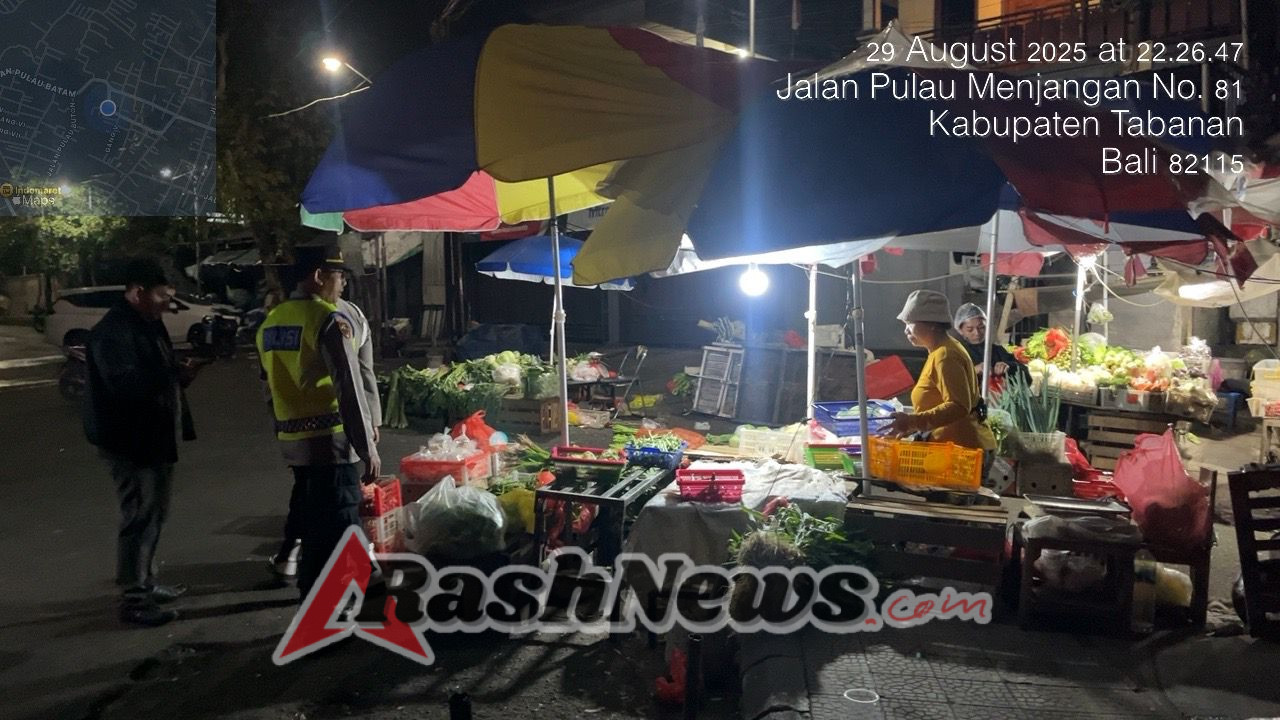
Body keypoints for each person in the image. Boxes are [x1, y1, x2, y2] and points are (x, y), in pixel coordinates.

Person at [257, 241, 381, 599]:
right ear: (318, 276)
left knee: (314, 517)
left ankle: (355, 579)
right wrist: (367, 446)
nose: (341, 285)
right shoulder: (329, 320)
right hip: (332, 443)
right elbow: (350, 386)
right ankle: (323, 601)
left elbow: (268, 386)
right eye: (338, 276)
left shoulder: (272, 321)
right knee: (338, 522)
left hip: (294, 444)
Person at [85, 258, 202, 627]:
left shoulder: (148, 323)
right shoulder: (114, 331)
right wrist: (169, 372)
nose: (168, 301)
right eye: (162, 294)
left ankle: (146, 583)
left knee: (154, 514)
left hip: (153, 435)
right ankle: (134, 599)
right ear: (137, 292)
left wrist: (181, 374)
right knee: (139, 516)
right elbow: (127, 387)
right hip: (130, 441)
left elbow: (158, 376)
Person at [886, 290, 995, 452]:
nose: (906, 330)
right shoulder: (941, 350)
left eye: (910, 323)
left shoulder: (945, 355)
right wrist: (912, 426)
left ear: (932, 324)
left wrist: (912, 421)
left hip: (962, 451)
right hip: (953, 447)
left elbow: (958, 406)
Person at [952, 302, 1028, 388]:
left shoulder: (996, 350)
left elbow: (1027, 377)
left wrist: (1008, 366)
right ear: (961, 330)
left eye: (981, 327)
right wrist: (973, 370)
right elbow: (950, 381)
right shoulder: (957, 353)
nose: (977, 333)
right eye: (970, 329)